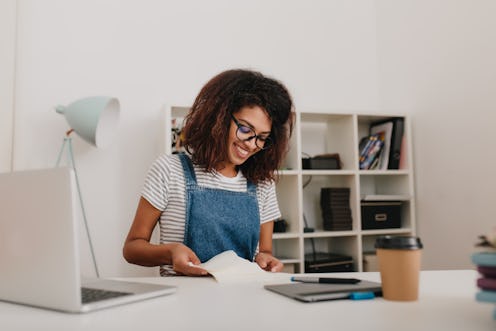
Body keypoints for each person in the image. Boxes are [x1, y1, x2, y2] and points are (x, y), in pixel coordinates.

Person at [123, 69, 294, 276]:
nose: (251, 144)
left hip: (242, 297)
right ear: (219, 117)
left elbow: (264, 251)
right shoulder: (169, 170)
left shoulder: (262, 184)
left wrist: (265, 259)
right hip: (184, 300)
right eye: (246, 129)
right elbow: (132, 249)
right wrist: (171, 252)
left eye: (262, 137)